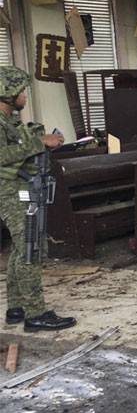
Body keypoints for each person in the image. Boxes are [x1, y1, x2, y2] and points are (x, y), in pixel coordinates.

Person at [0, 65, 76, 331]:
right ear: (8, 92)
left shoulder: (10, 121)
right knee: (30, 249)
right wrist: (39, 142)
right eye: (21, 91)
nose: (24, 96)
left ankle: (16, 307)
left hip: (20, 187)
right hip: (8, 192)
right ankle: (36, 314)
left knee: (21, 249)